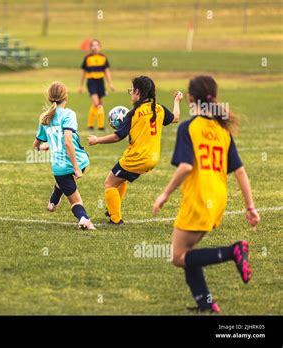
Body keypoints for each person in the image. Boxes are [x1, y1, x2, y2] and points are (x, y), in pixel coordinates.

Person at [152, 75, 260, 313]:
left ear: (190, 98)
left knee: (178, 257)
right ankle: (206, 304)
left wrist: (165, 194)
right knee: (188, 253)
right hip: (218, 199)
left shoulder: (189, 128)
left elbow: (186, 166)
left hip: (199, 199)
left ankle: (234, 251)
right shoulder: (222, 131)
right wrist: (250, 206)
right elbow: (240, 171)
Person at [88, 76, 182, 224]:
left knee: (109, 183)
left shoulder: (133, 114)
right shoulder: (159, 109)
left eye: (132, 90)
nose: (131, 93)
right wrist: (177, 101)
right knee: (120, 179)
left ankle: (115, 219)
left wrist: (96, 140)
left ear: (138, 92)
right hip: (153, 158)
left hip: (136, 158)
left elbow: (118, 136)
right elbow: (176, 117)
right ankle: (114, 207)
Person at [33, 81, 95, 230]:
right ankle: (83, 219)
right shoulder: (68, 114)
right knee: (75, 201)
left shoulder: (45, 118)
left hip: (59, 168)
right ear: (66, 96)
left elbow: (36, 146)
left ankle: (57, 199)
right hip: (80, 161)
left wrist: (45, 146)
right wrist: (76, 168)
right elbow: (68, 142)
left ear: (49, 97)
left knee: (70, 192)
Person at [78, 39, 115, 130]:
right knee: (96, 103)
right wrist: (80, 86)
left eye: (97, 45)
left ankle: (99, 126)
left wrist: (110, 84)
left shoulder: (103, 58)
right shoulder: (87, 58)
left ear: (100, 47)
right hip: (91, 82)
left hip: (100, 82)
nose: (95, 47)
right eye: (93, 45)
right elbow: (83, 73)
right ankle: (93, 125)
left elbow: (107, 72)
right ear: (90, 48)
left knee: (100, 104)